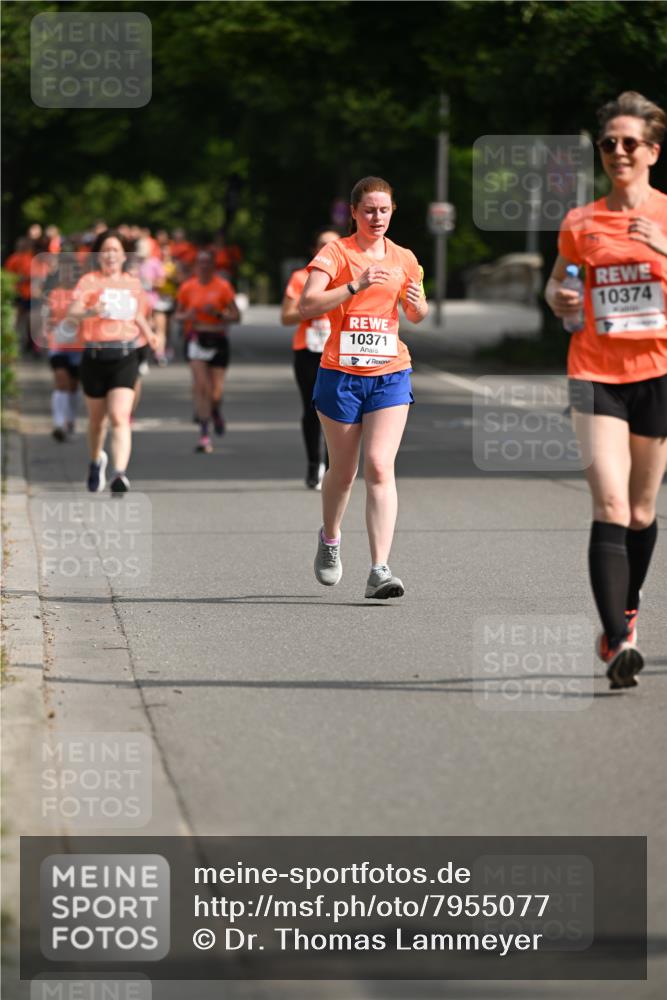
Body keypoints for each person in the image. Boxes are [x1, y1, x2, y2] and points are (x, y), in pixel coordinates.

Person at [546, 91, 667, 690]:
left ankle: (627, 606)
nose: (617, 152)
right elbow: (557, 285)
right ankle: (618, 642)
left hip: (657, 373)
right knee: (612, 506)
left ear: (652, 151)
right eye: (608, 144)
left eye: (628, 143)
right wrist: (560, 298)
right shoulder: (581, 222)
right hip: (594, 371)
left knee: (643, 512)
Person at [299, 176, 428, 599]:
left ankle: (379, 570)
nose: (377, 217)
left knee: (378, 464)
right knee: (344, 471)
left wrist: (417, 302)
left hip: (390, 372)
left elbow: (417, 312)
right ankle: (331, 538)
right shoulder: (336, 253)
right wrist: (355, 285)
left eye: (384, 210)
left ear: (393, 212)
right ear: (354, 212)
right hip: (341, 374)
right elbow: (307, 304)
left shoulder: (405, 257)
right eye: (369, 210)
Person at [68, 230, 158, 493]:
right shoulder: (88, 282)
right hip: (94, 355)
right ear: (98, 255)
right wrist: (89, 311)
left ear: (123, 256)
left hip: (124, 355)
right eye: (106, 250)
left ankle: (120, 474)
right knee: (97, 422)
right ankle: (96, 461)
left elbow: (138, 313)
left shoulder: (132, 283)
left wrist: (150, 333)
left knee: (120, 415)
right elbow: (72, 313)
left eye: (115, 250)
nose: (110, 255)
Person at [281, 229, 339, 488]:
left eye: (333, 245)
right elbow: (286, 317)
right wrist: (311, 310)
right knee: (311, 409)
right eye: (322, 245)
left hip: (339, 351)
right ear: (315, 250)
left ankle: (333, 467)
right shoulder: (301, 277)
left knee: (337, 411)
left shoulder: (348, 277)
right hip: (308, 350)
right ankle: (314, 465)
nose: (328, 249)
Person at [175, 249, 240, 453]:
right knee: (201, 387)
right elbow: (177, 315)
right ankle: (204, 435)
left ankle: (216, 410)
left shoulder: (223, 286)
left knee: (215, 392)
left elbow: (236, 316)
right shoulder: (187, 287)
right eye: (200, 263)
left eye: (207, 263)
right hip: (196, 338)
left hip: (218, 339)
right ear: (196, 266)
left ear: (213, 266)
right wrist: (189, 315)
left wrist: (219, 314)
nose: (203, 267)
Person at [44, 255, 84, 441]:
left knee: (74, 386)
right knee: (61, 382)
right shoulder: (54, 293)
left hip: (79, 346)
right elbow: (48, 317)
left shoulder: (82, 294)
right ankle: (58, 423)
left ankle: (70, 419)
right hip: (58, 346)